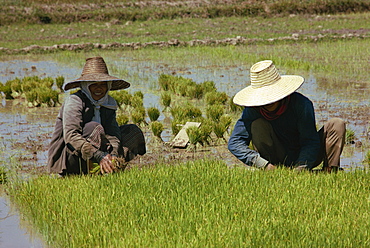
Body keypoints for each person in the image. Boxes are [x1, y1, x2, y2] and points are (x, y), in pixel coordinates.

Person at [228, 60, 346, 172]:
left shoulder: (301, 104)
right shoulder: (252, 110)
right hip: (275, 158)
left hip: (304, 154)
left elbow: (310, 141)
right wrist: (263, 164)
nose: (268, 102)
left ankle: (330, 171)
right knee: (257, 125)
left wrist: (300, 168)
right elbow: (235, 143)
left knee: (337, 124)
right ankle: (273, 170)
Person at [47, 56, 146, 176]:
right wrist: (99, 156)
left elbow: (113, 134)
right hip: (72, 156)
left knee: (132, 131)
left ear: (108, 86)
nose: (99, 88)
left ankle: (111, 168)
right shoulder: (75, 101)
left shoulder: (108, 103)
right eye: (94, 84)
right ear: (85, 85)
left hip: (102, 148)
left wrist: (114, 154)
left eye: (103, 84)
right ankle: (90, 172)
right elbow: (71, 136)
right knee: (95, 127)